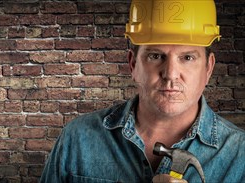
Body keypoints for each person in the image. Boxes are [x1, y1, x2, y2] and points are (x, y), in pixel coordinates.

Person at [39, 0, 245, 182]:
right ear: (132, 65)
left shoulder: (240, 155)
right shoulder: (78, 139)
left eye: (187, 57)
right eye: (156, 56)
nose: (170, 74)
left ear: (208, 68)